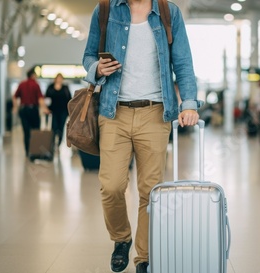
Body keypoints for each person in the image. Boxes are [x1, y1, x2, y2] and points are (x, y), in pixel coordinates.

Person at [82, 1, 201, 273]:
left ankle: (144, 258)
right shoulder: (105, 10)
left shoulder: (169, 13)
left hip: (155, 112)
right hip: (113, 112)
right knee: (111, 185)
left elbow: (182, 60)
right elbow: (88, 55)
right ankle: (121, 238)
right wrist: (97, 69)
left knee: (151, 190)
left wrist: (190, 103)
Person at [12, 67, 50, 157]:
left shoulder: (22, 84)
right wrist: (44, 108)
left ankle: (27, 151)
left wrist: (15, 107)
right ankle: (34, 151)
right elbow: (40, 99)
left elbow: (14, 96)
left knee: (26, 132)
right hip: (33, 110)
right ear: (33, 75)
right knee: (35, 131)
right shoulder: (36, 85)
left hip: (23, 110)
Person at [45, 73, 71, 148]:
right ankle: (52, 144)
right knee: (54, 127)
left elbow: (69, 99)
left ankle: (59, 144)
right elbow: (47, 98)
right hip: (53, 111)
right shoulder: (50, 87)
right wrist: (46, 108)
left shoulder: (65, 88)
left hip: (63, 111)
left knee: (61, 127)